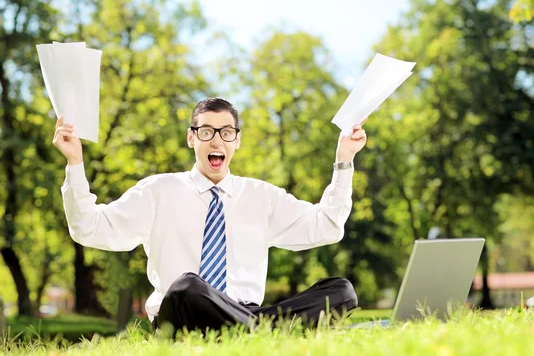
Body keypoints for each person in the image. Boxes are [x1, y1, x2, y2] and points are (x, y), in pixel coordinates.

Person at [54, 97, 367, 334]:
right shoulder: (157, 191)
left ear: (237, 140)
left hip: (242, 311)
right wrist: (75, 164)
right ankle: (267, 331)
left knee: (340, 291)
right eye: (206, 131)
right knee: (187, 286)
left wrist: (344, 161)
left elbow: (327, 226)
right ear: (192, 138)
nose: (217, 140)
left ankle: (251, 330)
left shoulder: (262, 196)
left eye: (226, 132)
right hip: (182, 315)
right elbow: (89, 228)